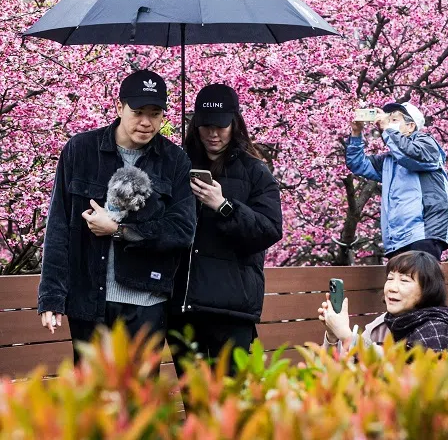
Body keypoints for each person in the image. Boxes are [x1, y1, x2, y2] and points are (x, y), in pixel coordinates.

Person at [37, 70, 196, 362]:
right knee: (93, 400)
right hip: (89, 300)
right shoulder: (81, 150)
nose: (146, 122)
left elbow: (182, 230)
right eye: (137, 112)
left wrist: (119, 229)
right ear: (118, 107)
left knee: (140, 402)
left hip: (147, 301)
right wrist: (51, 297)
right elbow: (59, 225)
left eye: (155, 113)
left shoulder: (174, 160)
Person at [168, 84, 283, 374]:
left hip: (231, 308)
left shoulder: (255, 171)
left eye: (220, 126)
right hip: (183, 306)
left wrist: (223, 206)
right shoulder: (178, 165)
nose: (213, 134)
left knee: (231, 402)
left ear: (235, 123)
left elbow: (269, 230)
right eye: (205, 126)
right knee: (194, 401)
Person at [345, 102, 448, 261]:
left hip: (423, 232)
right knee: (401, 284)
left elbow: (410, 154)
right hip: (397, 238)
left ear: (410, 126)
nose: (387, 123)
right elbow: (357, 164)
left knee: (420, 283)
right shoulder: (389, 160)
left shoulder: (427, 143)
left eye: (394, 120)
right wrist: (356, 132)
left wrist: (387, 128)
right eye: (388, 119)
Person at [318, 251, 448, 354]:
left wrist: (347, 336)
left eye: (404, 280)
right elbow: (340, 370)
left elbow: (407, 371)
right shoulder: (382, 324)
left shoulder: (437, 327)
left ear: (427, 289)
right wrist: (333, 335)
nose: (392, 288)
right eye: (390, 278)